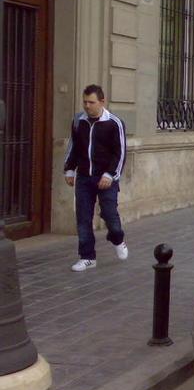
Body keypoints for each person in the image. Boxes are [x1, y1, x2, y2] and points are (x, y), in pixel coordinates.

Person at [64, 84, 127, 272]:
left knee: (110, 216)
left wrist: (110, 174)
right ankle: (87, 257)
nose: (87, 106)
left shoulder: (114, 122)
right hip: (84, 177)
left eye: (91, 102)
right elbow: (73, 147)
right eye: (84, 102)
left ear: (102, 101)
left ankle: (117, 238)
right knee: (83, 218)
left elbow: (120, 153)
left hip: (106, 177)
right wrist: (69, 169)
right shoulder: (78, 121)